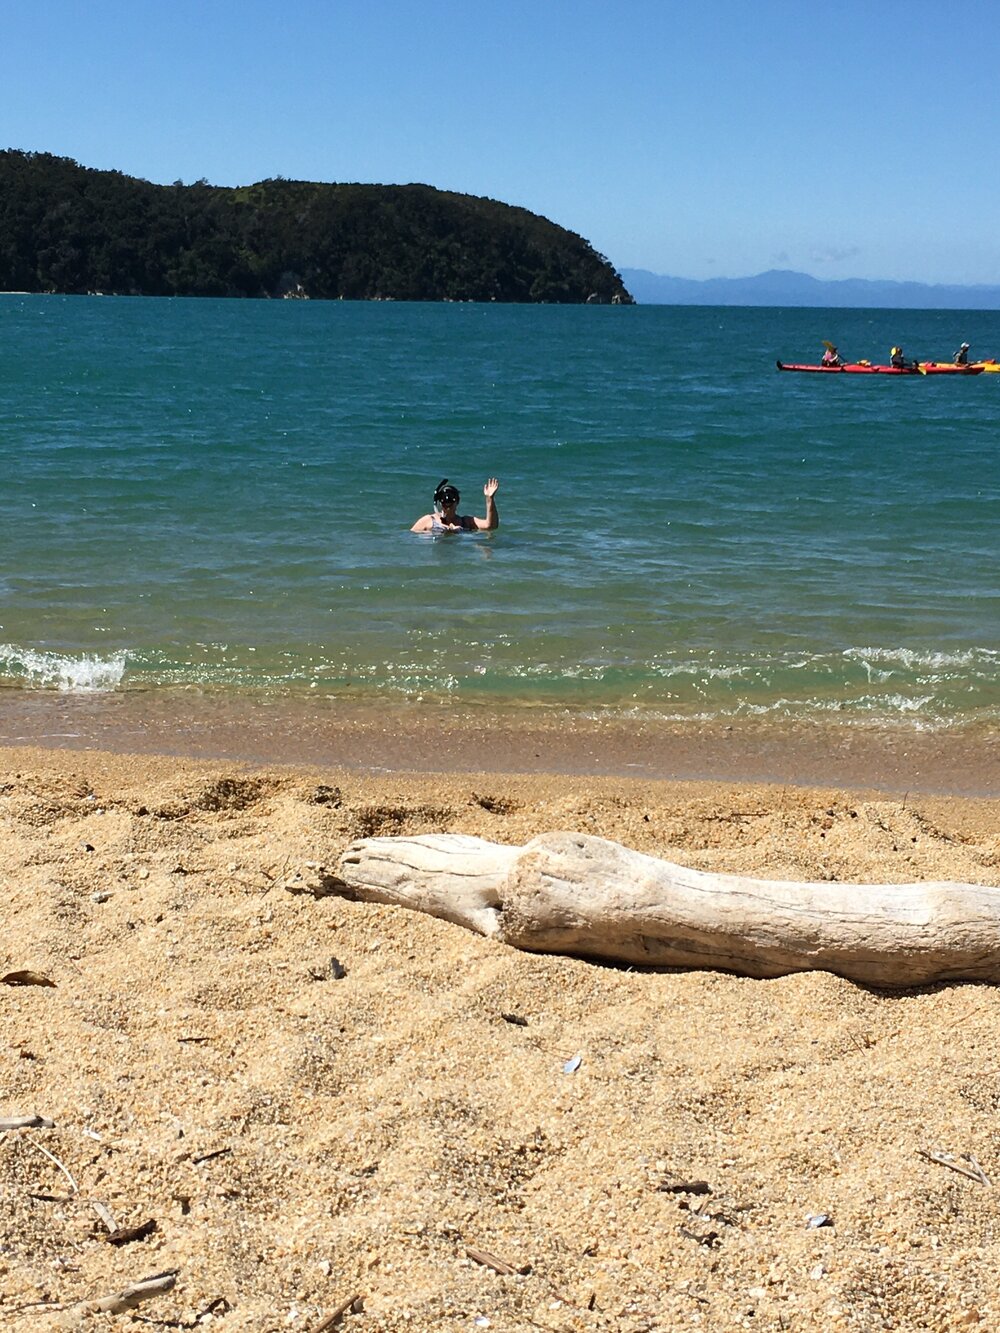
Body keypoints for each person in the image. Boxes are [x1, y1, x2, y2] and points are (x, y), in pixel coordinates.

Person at [411, 477, 500, 533]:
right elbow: (409, 537)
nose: (447, 509)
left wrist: (489, 499)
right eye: (445, 505)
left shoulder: (466, 522)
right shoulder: (429, 520)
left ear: (457, 502)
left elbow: (491, 526)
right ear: (440, 503)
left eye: (450, 505)